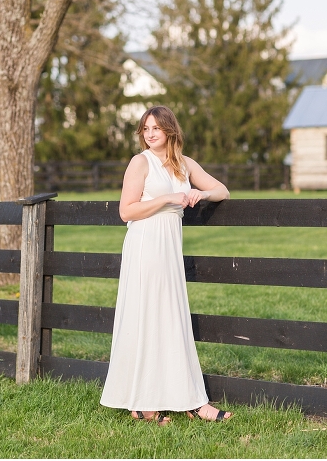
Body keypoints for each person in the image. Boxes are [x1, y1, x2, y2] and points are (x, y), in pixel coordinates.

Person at [100, 105, 233, 425]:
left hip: (170, 249)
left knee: (172, 320)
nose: (150, 134)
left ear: (170, 130)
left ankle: (191, 399)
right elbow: (126, 212)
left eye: (156, 128)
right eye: (145, 129)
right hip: (145, 244)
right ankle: (140, 401)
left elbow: (223, 191)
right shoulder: (139, 162)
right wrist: (167, 199)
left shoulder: (184, 164)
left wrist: (199, 194)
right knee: (146, 317)